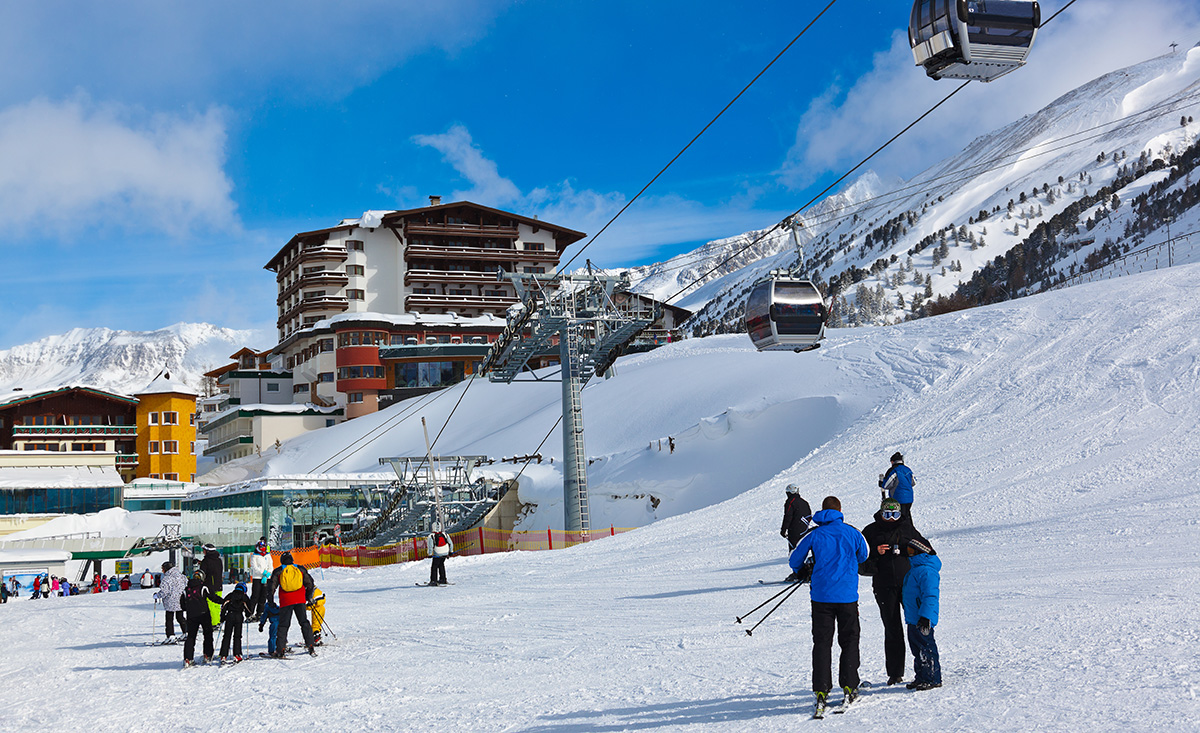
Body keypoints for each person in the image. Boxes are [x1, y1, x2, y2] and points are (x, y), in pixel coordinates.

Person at [789, 496, 869, 718]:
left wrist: (804, 568)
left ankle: (822, 689)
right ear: (840, 510)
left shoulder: (814, 534)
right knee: (849, 640)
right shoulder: (852, 532)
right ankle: (850, 685)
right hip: (846, 597)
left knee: (822, 643)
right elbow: (864, 555)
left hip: (821, 597)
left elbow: (794, 559)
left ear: (822, 511)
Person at [860, 498, 932, 685]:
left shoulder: (907, 528)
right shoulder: (870, 531)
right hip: (883, 586)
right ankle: (895, 673)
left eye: (895, 514)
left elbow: (928, 550)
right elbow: (859, 560)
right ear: (881, 513)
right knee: (892, 629)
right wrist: (875, 552)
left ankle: (926, 670)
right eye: (887, 514)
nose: (891, 519)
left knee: (916, 625)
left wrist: (909, 550)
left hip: (908, 585)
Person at [902, 538, 942, 690]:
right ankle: (921, 676)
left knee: (926, 647)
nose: (909, 554)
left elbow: (930, 595)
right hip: (913, 617)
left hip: (922, 618)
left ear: (921, 551)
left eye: (912, 551)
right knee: (917, 649)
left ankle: (932, 677)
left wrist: (926, 617)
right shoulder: (916, 569)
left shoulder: (926, 570)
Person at [265, 552, 317, 657]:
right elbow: (310, 583)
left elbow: (271, 587)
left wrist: (270, 601)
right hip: (300, 600)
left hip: (286, 601)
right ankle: (310, 646)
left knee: (283, 625)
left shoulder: (278, 571)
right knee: (304, 622)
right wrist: (307, 596)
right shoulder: (300, 569)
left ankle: (280, 650)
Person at [182, 570, 218, 666]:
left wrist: (189, 608)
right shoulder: (203, 587)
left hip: (191, 616)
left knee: (191, 637)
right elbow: (213, 597)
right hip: (204, 614)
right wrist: (225, 601)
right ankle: (208, 655)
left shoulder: (186, 589)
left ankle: (188, 658)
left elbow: (182, 605)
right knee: (207, 634)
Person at [219, 582, 253, 663]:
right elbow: (249, 609)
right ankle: (237, 654)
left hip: (229, 616)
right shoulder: (244, 597)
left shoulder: (230, 595)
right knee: (237, 636)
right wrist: (248, 615)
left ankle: (223, 655)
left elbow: (224, 605)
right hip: (238, 617)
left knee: (227, 636)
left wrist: (222, 617)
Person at [154, 561, 187, 643]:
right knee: (180, 617)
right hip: (181, 600)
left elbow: (164, 591)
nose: (162, 571)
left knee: (169, 619)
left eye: (163, 569)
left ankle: (171, 635)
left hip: (170, 601)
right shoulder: (182, 576)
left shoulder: (167, 578)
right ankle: (186, 632)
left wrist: (157, 595)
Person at [879, 452, 916, 521]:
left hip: (897, 498)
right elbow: (914, 482)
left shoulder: (893, 470)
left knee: (898, 518)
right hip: (909, 498)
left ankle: (902, 531)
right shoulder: (908, 469)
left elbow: (886, 485)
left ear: (893, 461)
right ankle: (910, 530)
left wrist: (881, 483)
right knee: (907, 516)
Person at [780, 484, 813, 551]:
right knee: (803, 548)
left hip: (794, 531)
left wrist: (783, 530)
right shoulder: (804, 502)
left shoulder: (790, 502)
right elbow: (809, 515)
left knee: (794, 550)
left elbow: (788, 517)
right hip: (804, 530)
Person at [199, 544, 224, 626]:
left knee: (211, 605)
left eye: (204, 550)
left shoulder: (206, 561)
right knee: (217, 605)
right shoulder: (219, 560)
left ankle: (214, 623)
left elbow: (203, 573)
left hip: (210, 586)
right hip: (219, 585)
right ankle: (217, 621)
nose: (203, 552)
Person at [249, 538, 273, 620]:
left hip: (266, 578)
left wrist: (268, 574)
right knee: (255, 596)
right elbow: (254, 567)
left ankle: (260, 612)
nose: (263, 548)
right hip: (257, 578)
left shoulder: (268, 555)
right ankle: (250, 613)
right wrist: (262, 573)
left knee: (263, 596)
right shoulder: (254, 556)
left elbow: (271, 566)